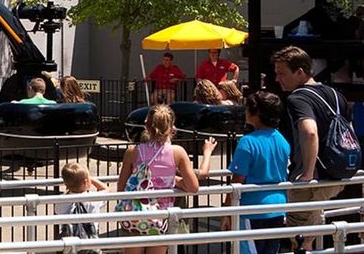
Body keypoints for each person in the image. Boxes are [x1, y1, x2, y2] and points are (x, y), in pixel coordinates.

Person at [273, 45, 352, 251]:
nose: (277, 79)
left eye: (282, 73)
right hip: (337, 175)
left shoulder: (298, 98)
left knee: (297, 238)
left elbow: (309, 132)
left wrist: (306, 173)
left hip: (311, 178)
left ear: (299, 72)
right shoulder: (335, 94)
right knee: (311, 230)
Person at [198, 92, 289, 254]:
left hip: (251, 211)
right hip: (278, 208)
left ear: (256, 113)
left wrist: (227, 213)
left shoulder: (248, 142)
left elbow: (236, 182)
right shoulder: (282, 140)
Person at [114, 104, 200, 251]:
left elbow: (121, 188)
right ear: (172, 127)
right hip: (161, 217)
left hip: (134, 215)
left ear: (147, 126)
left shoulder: (133, 152)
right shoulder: (178, 152)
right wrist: (175, 181)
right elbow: (193, 187)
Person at [56, 162, 107, 250]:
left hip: (69, 242)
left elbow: (57, 211)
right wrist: (91, 179)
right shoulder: (93, 198)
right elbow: (105, 189)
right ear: (86, 182)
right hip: (90, 242)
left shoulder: (62, 200)